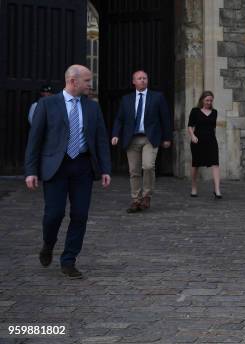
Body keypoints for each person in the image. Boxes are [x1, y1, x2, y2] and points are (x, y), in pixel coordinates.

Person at [24, 65, 111, 279]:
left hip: (82, 167)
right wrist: (31, 171)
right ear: (73, 81)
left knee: (80, 215)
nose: (90, 84)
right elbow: (34, 140)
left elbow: (100, 139)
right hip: (56, 167)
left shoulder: (92, 107)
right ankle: (48, 244)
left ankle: (69, 260)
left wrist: (106, 168)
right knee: (54, 214)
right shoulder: (47, 104)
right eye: (87, 80)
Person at [111, 70, 172, 213]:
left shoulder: (157, 97)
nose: (143, 80)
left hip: (150, 138)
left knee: (148, 166)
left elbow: (165, 118)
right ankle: (136, 200)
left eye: (145, 78)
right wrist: (115, 134)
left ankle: (146, 196)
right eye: (139, 78)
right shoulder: (126, 99)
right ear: (134, 82)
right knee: (134, 171)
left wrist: (167, 138)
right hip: (131, 139)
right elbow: (120, 118)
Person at [188, 91, 221, 198]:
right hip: (197, 140)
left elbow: (213, 128)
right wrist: (192, 136)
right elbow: (190, 126)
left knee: (215, 163)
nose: (209, 102)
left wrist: (214, 139)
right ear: (202, 100)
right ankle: (193, 187)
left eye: (211, 100)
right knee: (196, 164)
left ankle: (217, 189)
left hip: (211, 140)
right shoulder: (195, 111)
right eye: (207, 100)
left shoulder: (215, 112)